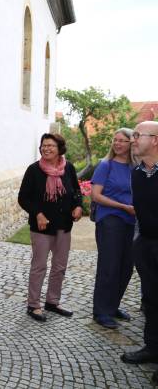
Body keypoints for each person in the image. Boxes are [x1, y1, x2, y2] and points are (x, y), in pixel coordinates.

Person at [18, 133, 82, 322]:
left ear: (59, 148)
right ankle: (33, 305)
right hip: (42, 227)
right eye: (43, 146)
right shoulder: (34, 170)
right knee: (39, 266)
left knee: (60, 266)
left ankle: (53, 302)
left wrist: (78, 206)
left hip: (64, 224)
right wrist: (37, 213)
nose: (46, 149)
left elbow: (76, 190)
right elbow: (23, 198)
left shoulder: (68, 168)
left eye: (50, 146)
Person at [121, 121, 158, 384]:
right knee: (151, 300)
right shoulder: (137, 173)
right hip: (146, 244)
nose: (133, 139)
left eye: (137, 135)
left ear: (155, 140)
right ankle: (152, 347)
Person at [91, 128, 136, 329]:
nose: (117, 144)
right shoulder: (105, 165)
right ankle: (101, 312)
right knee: (109, 266)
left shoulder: (137, 167)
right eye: (115, 140)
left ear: (131, 144)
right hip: (110, 219)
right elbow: (96, 196)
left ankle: (113, 305)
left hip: (131, 222)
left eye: (122, 141)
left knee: (126, 267)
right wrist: (123, 206)